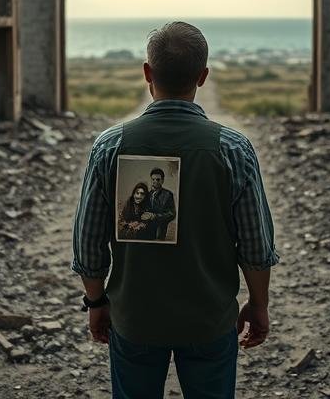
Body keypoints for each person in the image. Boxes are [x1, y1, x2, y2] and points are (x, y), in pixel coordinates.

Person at [71, 21, 279, 399]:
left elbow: (88, 243)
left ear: (147, 73)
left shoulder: (109, 146)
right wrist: (258, 304)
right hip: (209, 321)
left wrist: (97, 301)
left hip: (134, 319)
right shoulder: (234, 149)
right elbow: (255, 244)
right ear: (202, 77)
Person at [146, 168, 176, 240]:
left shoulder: (168, 194)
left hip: (159, 232)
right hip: (146, 231)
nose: (155, 181)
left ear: (162, 181)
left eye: (158, 179)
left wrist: (155, 216)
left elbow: (172, 213)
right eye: (153, 179)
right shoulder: (147, 194)